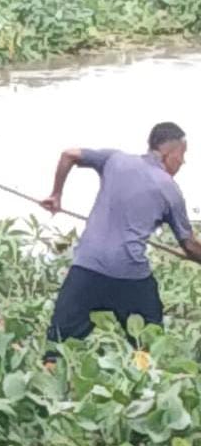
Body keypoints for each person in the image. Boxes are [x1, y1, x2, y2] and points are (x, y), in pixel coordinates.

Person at [40, 122, 201, 363]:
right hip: (130, 276)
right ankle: (144, 373)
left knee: (58, 344)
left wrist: (56, 194)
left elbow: (69, 154)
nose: (183, 162)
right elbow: (189, 245)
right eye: (182, 155)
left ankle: (50, 368)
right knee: (148, 342)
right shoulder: (169, 190)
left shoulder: (114, 159)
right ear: (169, 153)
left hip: (86, 268)